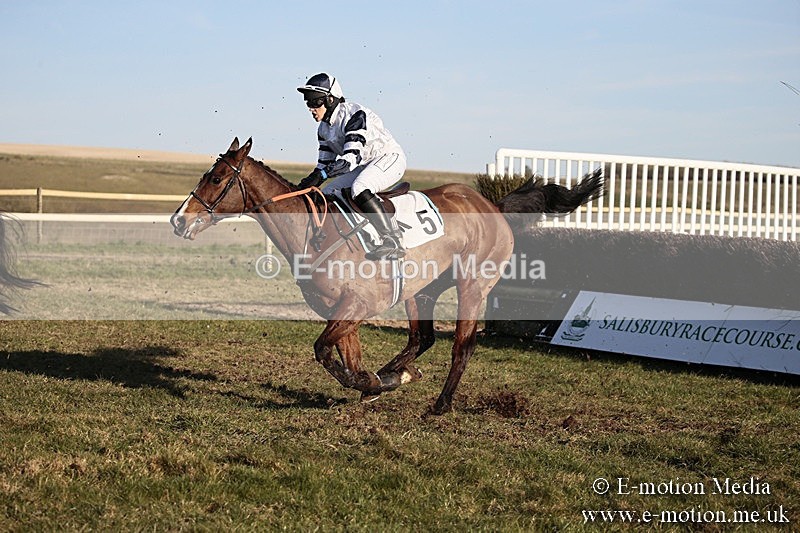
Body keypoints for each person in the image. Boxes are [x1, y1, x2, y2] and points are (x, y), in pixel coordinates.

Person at [296, 73, 406, 260]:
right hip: (364, 165)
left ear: (330, 100)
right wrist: (308, 183)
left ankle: (393, 241)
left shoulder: (354, 114)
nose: (310, 108)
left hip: (388, 158)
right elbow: (325, 164)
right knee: (328, 192)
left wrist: (321, 174)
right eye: (307, 102)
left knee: (360, 187)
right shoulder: (323, 129)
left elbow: (349, 160)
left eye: (314, 102)